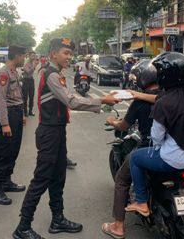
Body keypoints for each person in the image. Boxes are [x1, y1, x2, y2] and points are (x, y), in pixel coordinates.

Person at [12, 38, 120, 239]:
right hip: (49, 133)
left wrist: (101, 102)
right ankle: (23, 227)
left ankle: (57, 219)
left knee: (58, 176)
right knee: (41, 179)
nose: (69, 57)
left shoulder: (56, 73)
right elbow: (71, 101)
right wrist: (102, 100)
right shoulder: (51, 74)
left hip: (57, 131)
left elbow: (71, 97)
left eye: (70, 54)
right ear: (53, 54)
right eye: (66, 53)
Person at [125, 52, 184, 218]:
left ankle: (141, 201)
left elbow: (156, 138)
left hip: (175, 160)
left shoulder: (163, 102)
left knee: (135, 158)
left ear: (164, 75)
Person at [101, 60, 160, 239]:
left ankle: (118, 226)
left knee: (121, 179)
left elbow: (124, 125)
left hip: (148, 148)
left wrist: (112, 121)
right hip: (175, 149)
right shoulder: (171, 96)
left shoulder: (139, 103)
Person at [0, 45, 27, 206]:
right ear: (17, 56)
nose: (24, 59)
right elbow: (2, 100)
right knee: (3, 151)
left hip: (16, 113)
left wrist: (23, 114)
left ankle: (7, 181)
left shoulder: (14, 72)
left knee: (13, 150)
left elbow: (18, 95)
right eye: (23, 56)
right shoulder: (3, 73)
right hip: (8, 115)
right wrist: (5, 124)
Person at [22, 51, 38, 117]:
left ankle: (30, 111)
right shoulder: (26, 63)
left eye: (34, 56)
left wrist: (34, 65)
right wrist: (34, 66)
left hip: (31, 80)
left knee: (31, 96)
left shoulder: (33, 62)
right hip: (26, 81)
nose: (34, 57)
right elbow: (28, 72)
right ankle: (25, 112)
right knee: (25, 97)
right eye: (32, 56)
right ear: (29, 56)